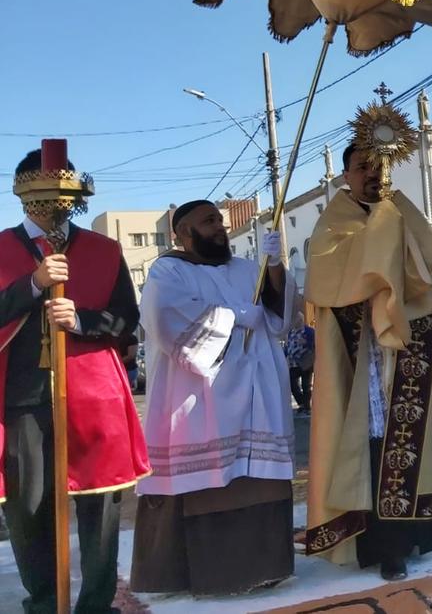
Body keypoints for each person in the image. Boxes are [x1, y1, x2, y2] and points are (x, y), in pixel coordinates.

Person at [304, 143, 432, 580]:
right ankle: (386, 545)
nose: (372, 176)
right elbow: (328, 281)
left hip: (412, 344)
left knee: (416, 439)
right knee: (376, 446)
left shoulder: (406, 214)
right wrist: (376, 263)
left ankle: (419, 530)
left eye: (379, 168)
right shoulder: (331, 226)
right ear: (346, 176)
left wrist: (401, 279)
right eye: (362, 168)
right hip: (364, 355)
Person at [1, 148, 150, 613]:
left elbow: (128, 320)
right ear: (23, 190)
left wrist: (83, 319)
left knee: (101, 507)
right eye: (43, 191)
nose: (54, 202)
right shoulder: (2, 248)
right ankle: (44, 602)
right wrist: (32, 285)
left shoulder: (104, 250)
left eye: (63, 191)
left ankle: (96, 604)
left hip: (93, 395)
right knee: (28, 510)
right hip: (21, 398)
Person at [133, 199, 298, 594]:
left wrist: (275, 268)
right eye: (209, 222)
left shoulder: (245, 269)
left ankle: (266, 566)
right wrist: (239, 316)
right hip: (198, 396)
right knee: (207, 478)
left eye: (220, 221)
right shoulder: (167, 270)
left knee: (260, 476)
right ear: (183, 233)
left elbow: (281, 318)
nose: (220, 228)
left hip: (258, 393)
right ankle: (208, 574)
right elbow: (165, 316)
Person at [286, 320, 316, 414]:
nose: (295, 323)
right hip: (293, 363)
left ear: (302, 321)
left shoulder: (309, 331)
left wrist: (306, 343)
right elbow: (288, 345)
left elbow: (316, 344)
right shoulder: (291, 332)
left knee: (306, 385)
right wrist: (285, 354)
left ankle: (307, 407)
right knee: (292, 384)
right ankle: (302, 403)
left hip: (305, 362)